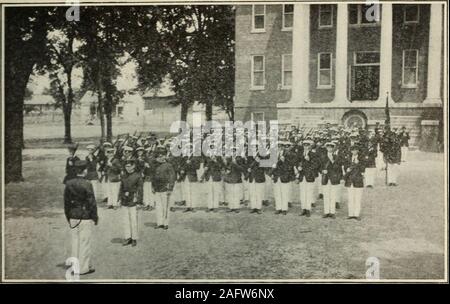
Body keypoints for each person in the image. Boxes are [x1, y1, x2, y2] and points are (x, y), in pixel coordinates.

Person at [64, 160, 98, 275]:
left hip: (73, 215)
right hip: (85, 215)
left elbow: (66, 202)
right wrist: (95, 216)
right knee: (84, 242)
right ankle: (83, 268)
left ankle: (74, 266)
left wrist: (68, 216)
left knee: (75, 242)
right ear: (85, 170)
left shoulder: (69, 183)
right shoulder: (87, 184)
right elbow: (92, 202)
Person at [119, 160, 143, 247]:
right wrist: (120, 198)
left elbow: (140, 190)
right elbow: (121, 187)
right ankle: (127, 237)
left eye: (129, 166)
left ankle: (134, 238)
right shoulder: (124, 175)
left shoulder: (137, 176)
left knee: (133, 220)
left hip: (133, 199)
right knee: (125, 220)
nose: (127, 168)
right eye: (126, 166)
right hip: (124, 200)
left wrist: (139, 202)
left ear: (133, 166)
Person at [152, 147, 176, 229]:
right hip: (157, 189)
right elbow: (154, 177)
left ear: (165, 156)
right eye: (158, 156)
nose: (160, 157)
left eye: (162, 155)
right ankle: (159, 223)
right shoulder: (155, 166)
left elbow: (172, 177)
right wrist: (153, 186)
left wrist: (170, 188)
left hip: (165, 188)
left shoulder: (169, 165)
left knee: (165, 206)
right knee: (158, 206)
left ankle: (165, 223)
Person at [320, 142, 343, 219]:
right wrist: (322, 171)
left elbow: (339, 168)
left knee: (333, 195)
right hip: (325, 178)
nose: (330, 148)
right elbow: (319, 166)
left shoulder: (336, 157)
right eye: (328, 147)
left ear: (333, 148)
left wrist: (333, 163)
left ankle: (332, 212)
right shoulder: (322, 156)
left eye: (331, 147)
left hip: (334, 178)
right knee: (326, 195)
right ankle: (326, 212)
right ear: (326, 148)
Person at [297, 139, 319, 217]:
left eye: (307, 145)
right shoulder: (300, 154)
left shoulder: (313, 154)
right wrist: (298, 167)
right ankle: (303, 209)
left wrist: (309, 160)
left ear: (310, 146)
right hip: (302, 176)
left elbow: (316, 165)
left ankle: (308, 209)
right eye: (304, 145)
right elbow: (297, 163)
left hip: (309, 176)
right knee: (302, 193)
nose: (306, 147)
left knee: (309, 193)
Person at [344, 144, 365, 220]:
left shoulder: (361, 159)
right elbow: (345, 166)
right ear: (351, 151)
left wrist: (358, 163)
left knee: (357, 198)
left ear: (358, 151)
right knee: (350, 198)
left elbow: (363, 168)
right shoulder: (348, 158)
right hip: (350, 180)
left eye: (356, 150)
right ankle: (350, 214)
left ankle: (356, 214)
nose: (354, 151)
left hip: (358, 180)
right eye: (353, 150)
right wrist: (347, 169)